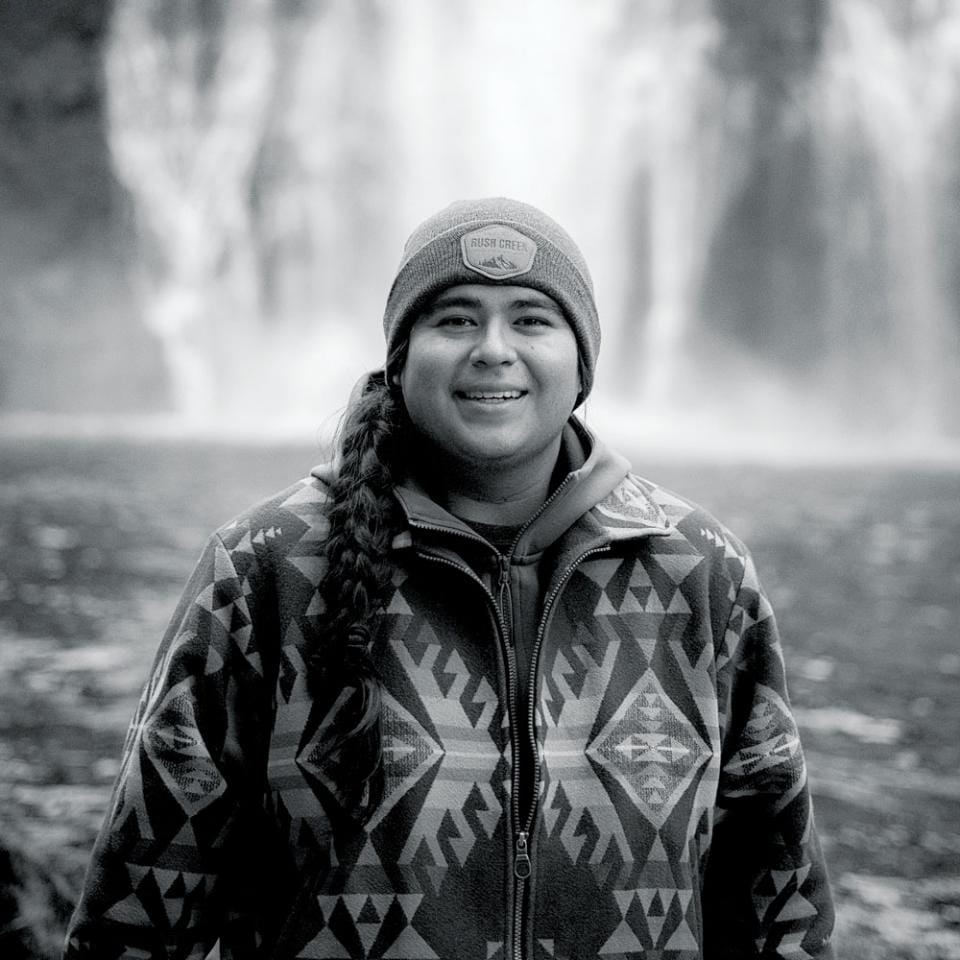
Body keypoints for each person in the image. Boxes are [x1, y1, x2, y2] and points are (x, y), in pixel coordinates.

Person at [63, 198, 835, 959]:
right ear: (400, 359)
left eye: (532, 319)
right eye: (455, 318)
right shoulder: (267, 566)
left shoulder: (701, 571)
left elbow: (779, 905)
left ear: (582, 364)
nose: (493, 349)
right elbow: (137, 912)